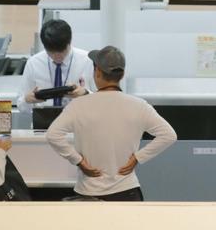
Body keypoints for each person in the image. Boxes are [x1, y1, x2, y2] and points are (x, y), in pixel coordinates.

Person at [47, 45, 177, 201]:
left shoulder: (78, 106)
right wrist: (138, 157)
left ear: (98, 73)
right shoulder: (139, 105)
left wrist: (78, 160)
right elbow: (169, 135)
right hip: (127, 191)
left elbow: (53, 135)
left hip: (89, 192)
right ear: (121, 75)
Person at [19, 19, 96, 113]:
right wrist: (27, 100)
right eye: (51, 52)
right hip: (43, 123)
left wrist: (85, 93)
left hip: (78, 122)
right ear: (44, 46)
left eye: (62, 51)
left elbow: (102, 102)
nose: (57, 56)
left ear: (70, 42)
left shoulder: (87, 61)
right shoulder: (33, 63)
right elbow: (21, 106)